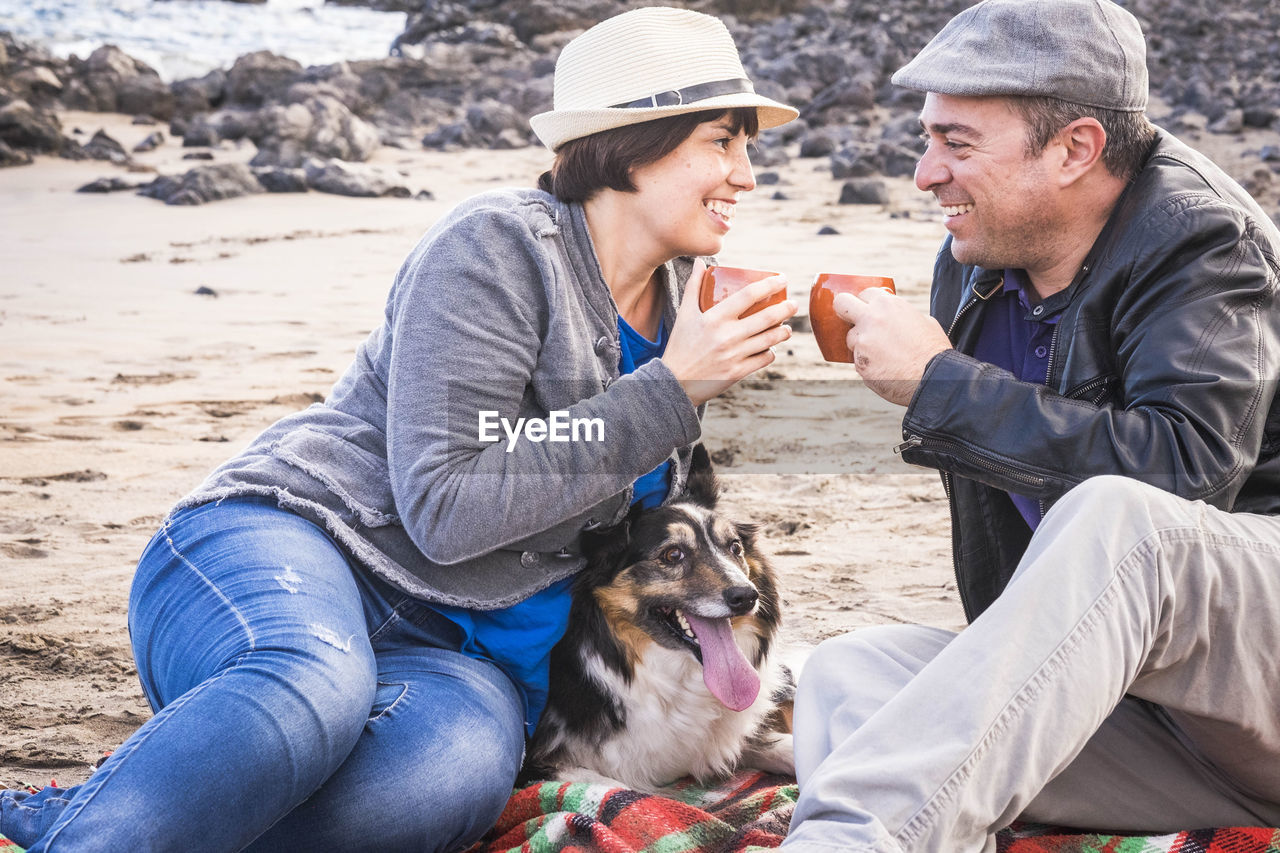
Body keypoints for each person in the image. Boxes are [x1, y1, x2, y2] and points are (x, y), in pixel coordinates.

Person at [0, 8, 798, 852]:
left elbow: (637, 531)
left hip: (460, 660)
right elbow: (445, 504)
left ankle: (102, 813)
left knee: (445, 780)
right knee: (319, 683)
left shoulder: (681, 308)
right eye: (723, 141)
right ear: (635, 144)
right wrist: (671, 392)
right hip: (291, 549)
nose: (747, 174)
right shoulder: (495, 248)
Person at [781, 0, 1280, 850]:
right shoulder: (974, 265)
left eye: (957, 143)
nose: (925, 174)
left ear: (1076, 148)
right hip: (1169, 737)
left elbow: (1186, 473)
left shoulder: (1203, 241)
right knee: (848, 675)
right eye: (928, 139)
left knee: (1123, 517)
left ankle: (851, 839)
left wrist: (941, 385)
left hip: (1256, 685)